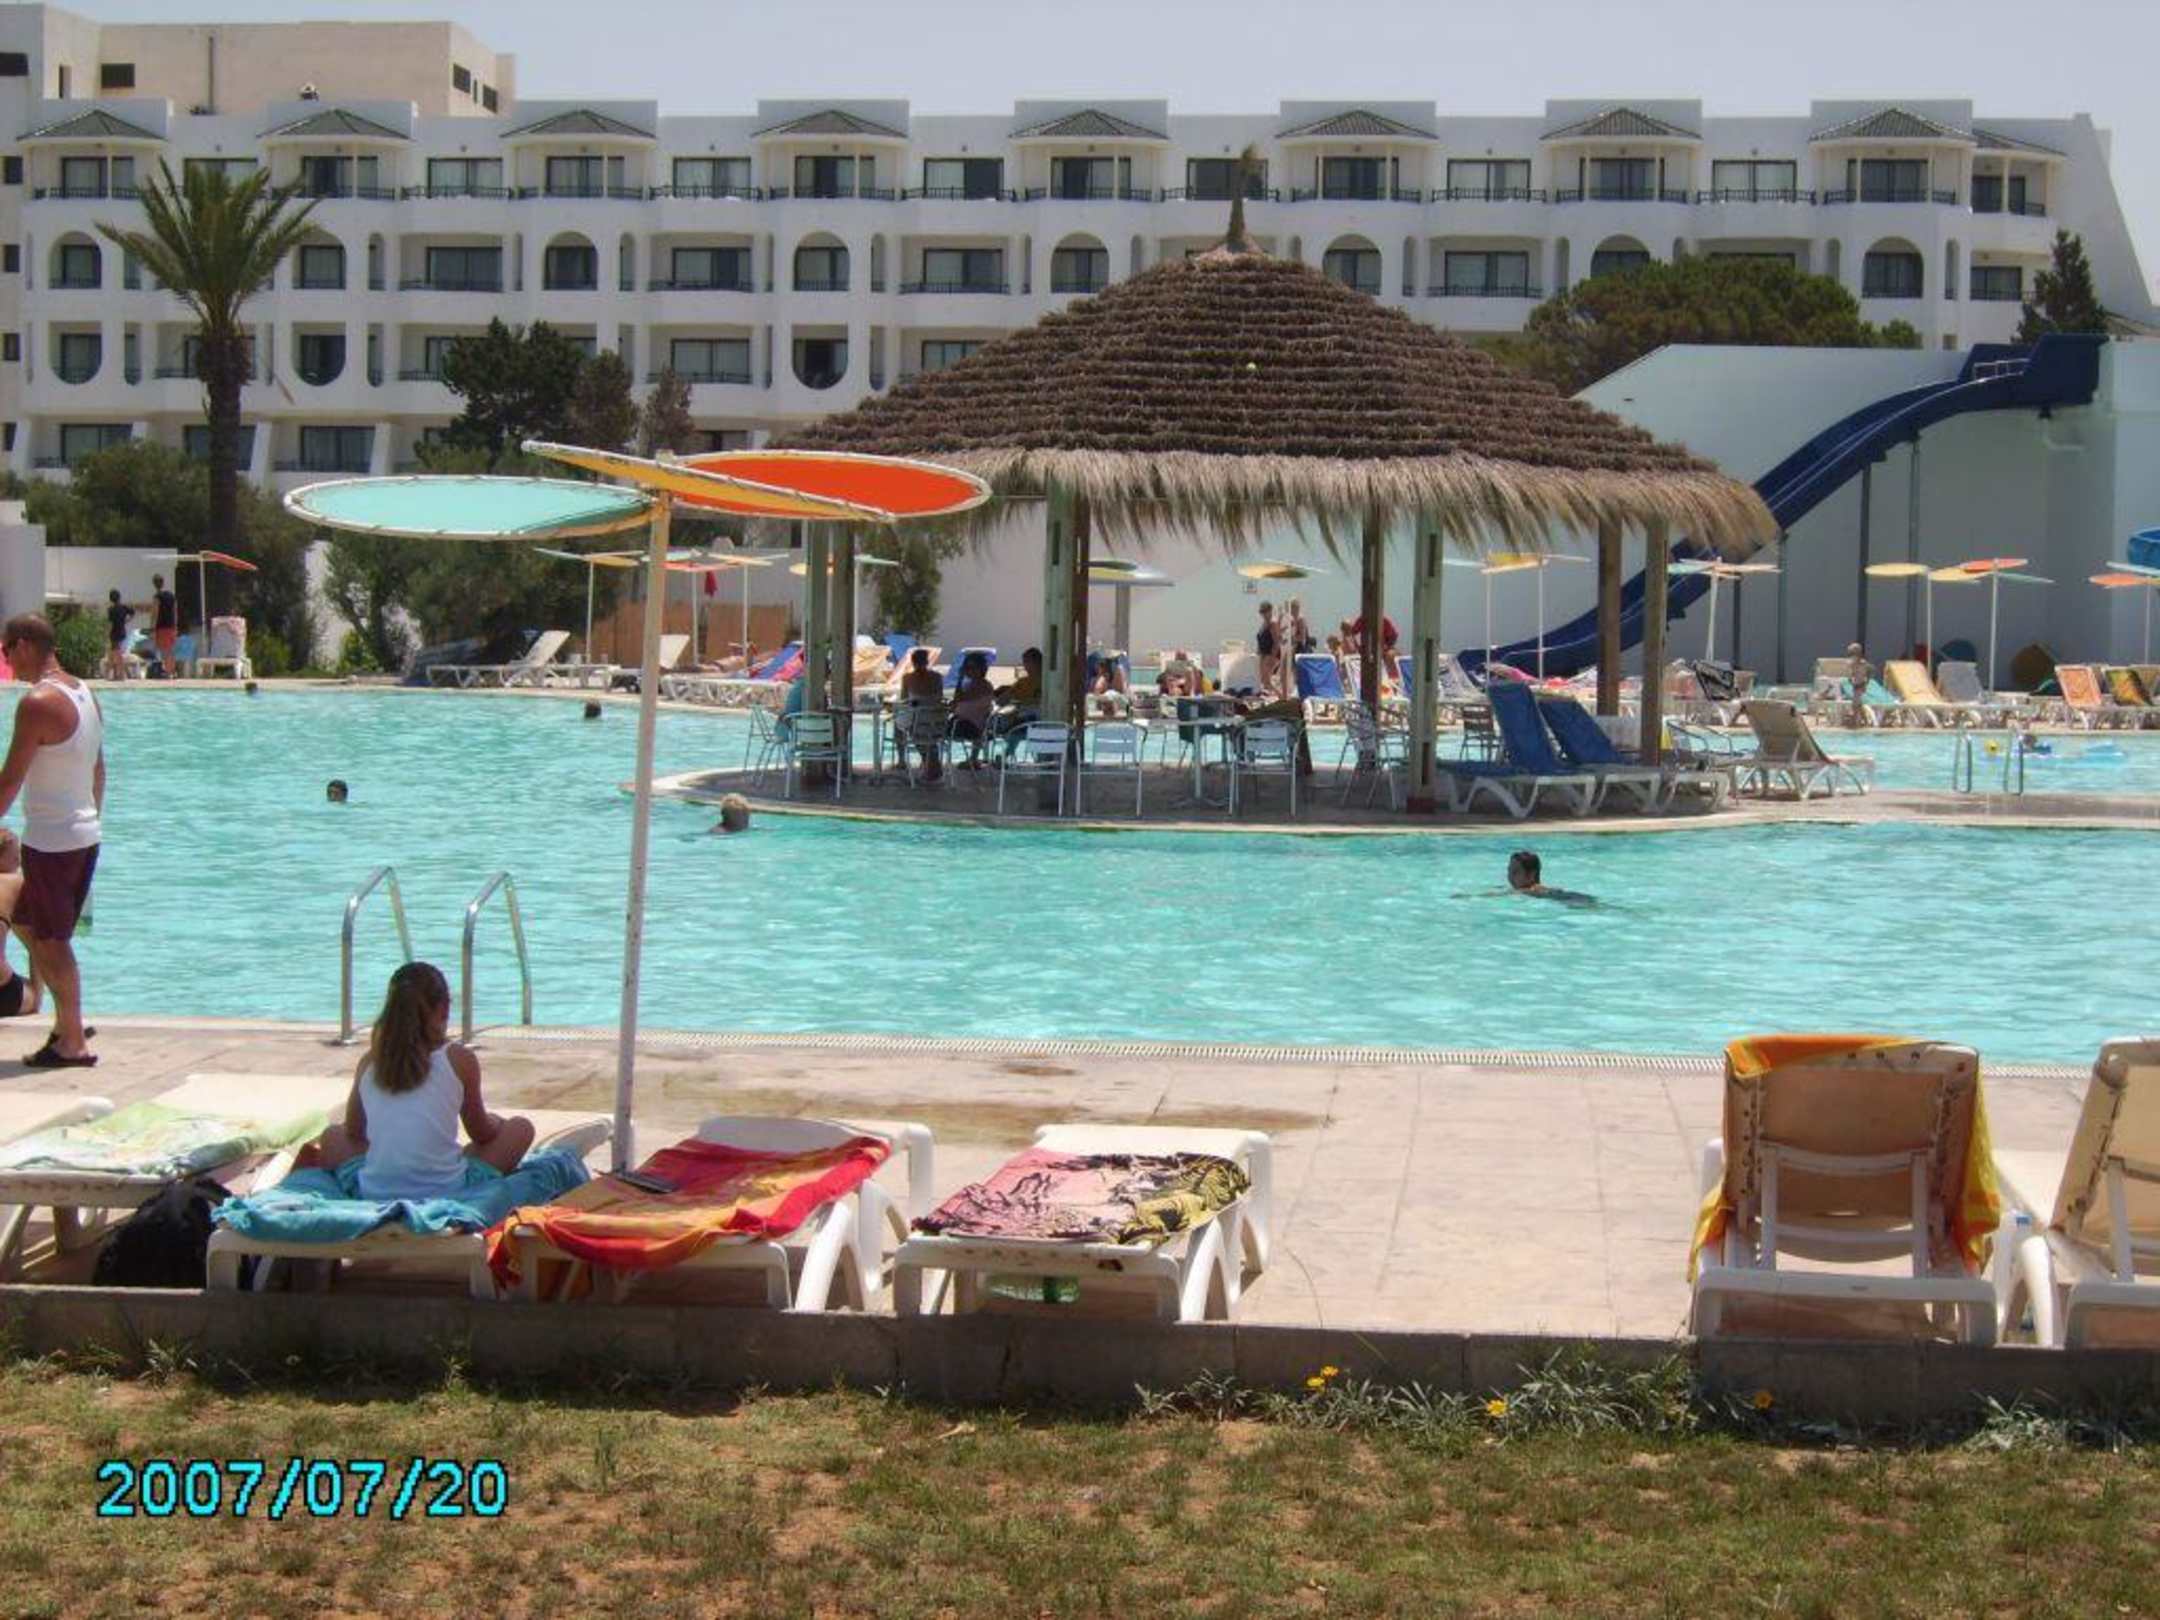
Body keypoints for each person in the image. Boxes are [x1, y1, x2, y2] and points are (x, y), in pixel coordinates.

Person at [307, 961, 537, 1196]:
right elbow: (481, 1133)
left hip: (374, 1190)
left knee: (332, 1136)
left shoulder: (370, 1061)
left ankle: (394, 1171)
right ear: (444, 1009)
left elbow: (355, 1132)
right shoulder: (458, 1059)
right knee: (520, 1128)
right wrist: (496, 1122)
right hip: (446, 1189)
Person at [0, 614, 104, 1066]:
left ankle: (73, 1040)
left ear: (24, 645)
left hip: (53, 842)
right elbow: (99, 769)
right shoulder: (85, 693)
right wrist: (90, 822)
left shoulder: (37, 702)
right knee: (31, 925)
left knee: (51, 942)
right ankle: (66, 1025)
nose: (6, 660)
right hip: (81, 835)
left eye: (6, 650)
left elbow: (9, 781)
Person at [0, 829, 40, 1018]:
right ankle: (37, 1002)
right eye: (16, 856)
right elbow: (41, 938)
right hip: (3, 995)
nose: (19, 863)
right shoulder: (15, 882)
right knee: (42, 941)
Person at [896, 649, 947, 781]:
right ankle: (930, 762)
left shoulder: (908, 678)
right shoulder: (937, 677)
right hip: (937, 722)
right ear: (927, 661)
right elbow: (940, 698)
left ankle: (902, 760)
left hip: (918, 722)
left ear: (912, 662)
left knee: (899, 725)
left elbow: (904, 700)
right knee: (926, 733)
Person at [949, 651, 996, 765]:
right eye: (966, 667)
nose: (968, 670)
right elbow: (957, 702)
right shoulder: (970, 684)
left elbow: (959, 700)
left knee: (931, 731)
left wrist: (960, 678)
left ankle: (930, 762)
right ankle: (973, 759)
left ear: (981, 669)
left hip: (971, 727)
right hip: (968, 724)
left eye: (971, 667)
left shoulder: (982, 685)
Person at [1506, 850, 1594, 906]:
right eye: (1509, 871)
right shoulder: (1526, 890)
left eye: (1515, 872)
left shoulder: (1532, 890)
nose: (1510, 876)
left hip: (1577, 901)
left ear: (1531, 875)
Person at [150, 572, 178, 678]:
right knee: (170, 649)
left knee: (165, 650)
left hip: (162, 626)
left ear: (154, 584)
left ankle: (168, 671)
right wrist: (176, 626)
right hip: (171, 626)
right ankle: (173, 671)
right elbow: (175, 611)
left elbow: (155, 613)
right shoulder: (171, 596)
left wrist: (152, 628)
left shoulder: (157, 597)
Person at [102, 590, 132, 682]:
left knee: (116, 654)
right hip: (122, 632)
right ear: (119, 598)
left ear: (111, 599)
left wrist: (106, 634)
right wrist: (126, 621)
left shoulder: (111, 610)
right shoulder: (124, 607)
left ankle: (120, 675)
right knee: (114, 653)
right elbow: (133, 613)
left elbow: (110, 624)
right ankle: (114, 675)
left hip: (114, 633)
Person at [1254, 601, 1281, 695]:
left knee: (1266, 681)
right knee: (1263, 681)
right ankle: (1273, 696)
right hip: (1263, 654)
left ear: (1270, 611)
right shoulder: (1264, 623)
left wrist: (1272, 657)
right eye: (1262, 612)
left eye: (1265, 611)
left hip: (1270, 654)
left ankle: (1281, 696)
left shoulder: (1273, 623)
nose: (1264, 614)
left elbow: (1276, 642)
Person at [1845, 641, 1871, 729]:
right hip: (1857, 684)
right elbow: (1851, 674)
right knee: (1858, 704)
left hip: (1860, 685)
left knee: (1855, 704)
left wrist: (1866, 681)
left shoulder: (1862, 663)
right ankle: (1864, 721)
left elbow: (1868, 672)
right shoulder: (1855, 663)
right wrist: (1851, 679)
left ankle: (1856, 722)